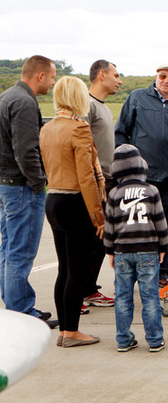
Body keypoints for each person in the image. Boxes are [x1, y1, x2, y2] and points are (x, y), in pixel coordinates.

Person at [40, 76, 104, 347]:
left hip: (53, 199)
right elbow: (87, 177)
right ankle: (72, 331)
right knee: (77, 270)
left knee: (64, 269)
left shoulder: (48, 128)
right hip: (75, 202)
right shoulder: (79, 129)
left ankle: (65, 330)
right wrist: (98, 215)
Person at [115, 63, 168, 288]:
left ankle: (161, 273)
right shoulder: (138, 97)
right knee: (135, 228)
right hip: (140, 178)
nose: (167, 81)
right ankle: (132, 274)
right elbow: (121, 132)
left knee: (164, 227)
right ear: (156, 77)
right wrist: (126, 166)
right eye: (163, 76)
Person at [0, 55, 57, 328]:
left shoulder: (6, 96)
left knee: (9, 249)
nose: (54, 82)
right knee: (21, 253)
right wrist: (39, 182)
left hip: (5, 184)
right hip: (21, 187)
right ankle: (22, 311)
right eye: (52, 76)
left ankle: (14, 307)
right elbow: (25, 151)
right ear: (40, 76)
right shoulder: (23, 102)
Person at [105, 144, 168, 353]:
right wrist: (163, 246)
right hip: (148, 249)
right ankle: (154, 339)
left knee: (122, 296)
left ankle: (123, 339)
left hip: (122, 250)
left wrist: (109, 250)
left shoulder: (114, 194)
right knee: (149, 295)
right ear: (141, 165)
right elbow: (160, 221)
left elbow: (109, 225)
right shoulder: (151, 191)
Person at [83, 59, 123, 310]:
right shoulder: (88, 106)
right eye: (116, 75)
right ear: (101, 75)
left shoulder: (104, 107)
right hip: (95, 182)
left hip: (107, 180)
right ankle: (80, 291)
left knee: (101, 241)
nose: (119, 81)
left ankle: (89, 289)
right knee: (91, 239)